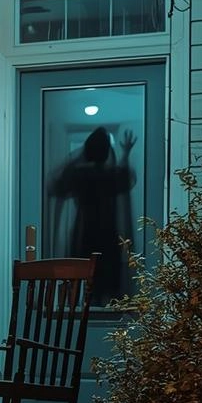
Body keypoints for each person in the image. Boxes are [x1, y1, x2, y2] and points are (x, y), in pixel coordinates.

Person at [47, 125, 136, 305]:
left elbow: (56, 185)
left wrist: (77, 157)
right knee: (106, 281)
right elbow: (126, 179)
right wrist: (125, 154)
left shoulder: (80, 174)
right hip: (108, 234)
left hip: (84, 232)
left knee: (85, 278)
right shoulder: (111, 174)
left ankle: (83, 312)